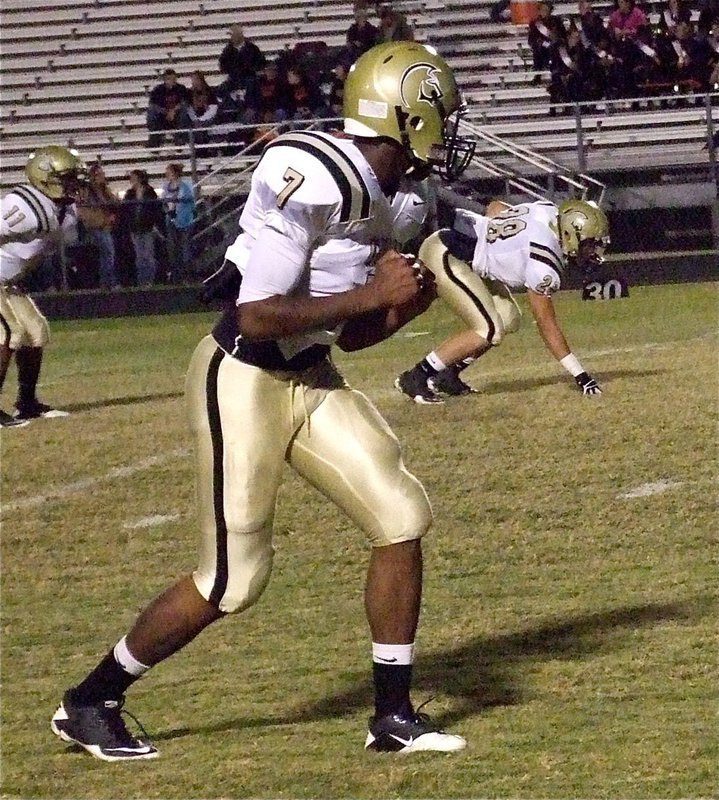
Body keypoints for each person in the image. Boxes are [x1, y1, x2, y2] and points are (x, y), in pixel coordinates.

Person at [51, 40, 473, 761]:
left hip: (310, 374)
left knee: (400, 515)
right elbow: (254, 316)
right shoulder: (314, 174)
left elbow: (350, 338)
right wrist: (373, 292)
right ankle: (91, 700)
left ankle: (392, 717)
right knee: (233, 580)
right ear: (406, 116)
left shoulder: (401, 199)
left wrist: (403, 306)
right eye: (442, 114)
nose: (450, 129)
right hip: (242, 377)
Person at [394, 198, 609, 403]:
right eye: (589, 245)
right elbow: (546, 323)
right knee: (488, 330)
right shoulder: (544, 263)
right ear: (570, 234)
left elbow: (495, 207)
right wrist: (580, 375)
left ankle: (447, 375)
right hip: (448, 252)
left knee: (508, 318)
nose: (593, 252)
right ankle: (416, 376)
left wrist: (496, 236)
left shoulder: (549, 211)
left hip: (469, 252)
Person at [0, 145, 87, 426]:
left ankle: (26, 404)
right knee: (9, 332)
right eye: (67, 179)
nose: (73, 185)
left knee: (35, 332)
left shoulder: (63, 210)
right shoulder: (23, 208)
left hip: (7, 281)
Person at [80, 163, 120, 290]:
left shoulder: (104, 190)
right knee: (108, 253)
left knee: (107, 255)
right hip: (96, 225)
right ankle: (110, 282)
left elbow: (114, 203)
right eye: (99, 174)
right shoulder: (88, 191)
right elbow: (85, 207)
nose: (102, 177)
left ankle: (106, 282)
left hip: (105, 225)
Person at [122, 170, 164, 287]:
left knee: (148, 255)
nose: (131, 180)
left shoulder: (149, 192)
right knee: (139, 257)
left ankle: (150, 280)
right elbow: (125, 209)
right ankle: (142, 281)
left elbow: (155, 209)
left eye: (133, 177)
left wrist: (153, 223)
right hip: (135, 227)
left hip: (147, 227)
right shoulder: (130, 193)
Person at [162, 163, 196, 283]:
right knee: (173, 248)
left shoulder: (186, 185)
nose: (167, 175)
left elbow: (189, 199)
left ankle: (188, 275)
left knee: (185, 247)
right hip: (171, 218)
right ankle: (176, 275)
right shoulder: (166, 186)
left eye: (169, 172)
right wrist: (168, 210)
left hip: (185, 219)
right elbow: (164, 201)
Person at [146, 69, 192, 148]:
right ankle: (154, 140)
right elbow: (152, 104)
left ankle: (180, 138)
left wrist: (173, 111)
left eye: (174, 79)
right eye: (170, 79)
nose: (172, 81)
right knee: (151, 112)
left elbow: (185, 102)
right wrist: (165, 112)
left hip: (177, 117)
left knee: (185, 111)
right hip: (162, 117)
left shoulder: (181, 88)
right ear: (165, 80)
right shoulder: (158, 89)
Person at [218, 24, 266, 92]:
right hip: (234, 83)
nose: (233, 37)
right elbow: (223, 67)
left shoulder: (252, 48)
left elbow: (261, 64)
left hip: (250, 82)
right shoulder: (227, 51)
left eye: (235, 34)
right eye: (232, 35)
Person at [528, 1, 566, 84]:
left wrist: (556, 39)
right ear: (539, 11)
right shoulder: (535, 24)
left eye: (547, 10)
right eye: (543, 9)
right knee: (538, 50)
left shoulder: (556, 21)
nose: (545, 12)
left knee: (557, 50)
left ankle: (556, 76)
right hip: (541, 48)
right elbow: (531, 39)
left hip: (554, 46)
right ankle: (538, 75)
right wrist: (542, 43)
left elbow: (563, 35)